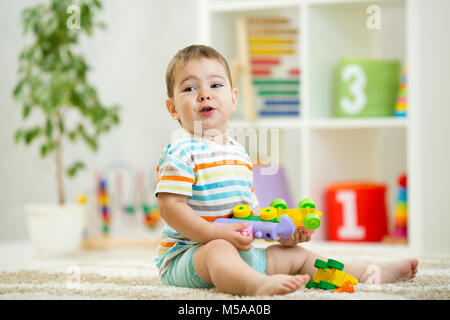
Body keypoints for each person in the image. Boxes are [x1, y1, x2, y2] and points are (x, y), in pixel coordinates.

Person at [154, 44, 418, 296]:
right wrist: (212, 233)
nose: (204, 93)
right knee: (217, 249)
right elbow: (170, 207)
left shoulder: (239, 154)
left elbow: (249, 213)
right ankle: (255, 285)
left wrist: (282, 231)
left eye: (216, 85)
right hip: (189, 255)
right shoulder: (181, 152)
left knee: (296, 256)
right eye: (190, 88)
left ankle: (365, 274)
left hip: (240, 251)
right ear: (173, 108)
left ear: (233, 99)